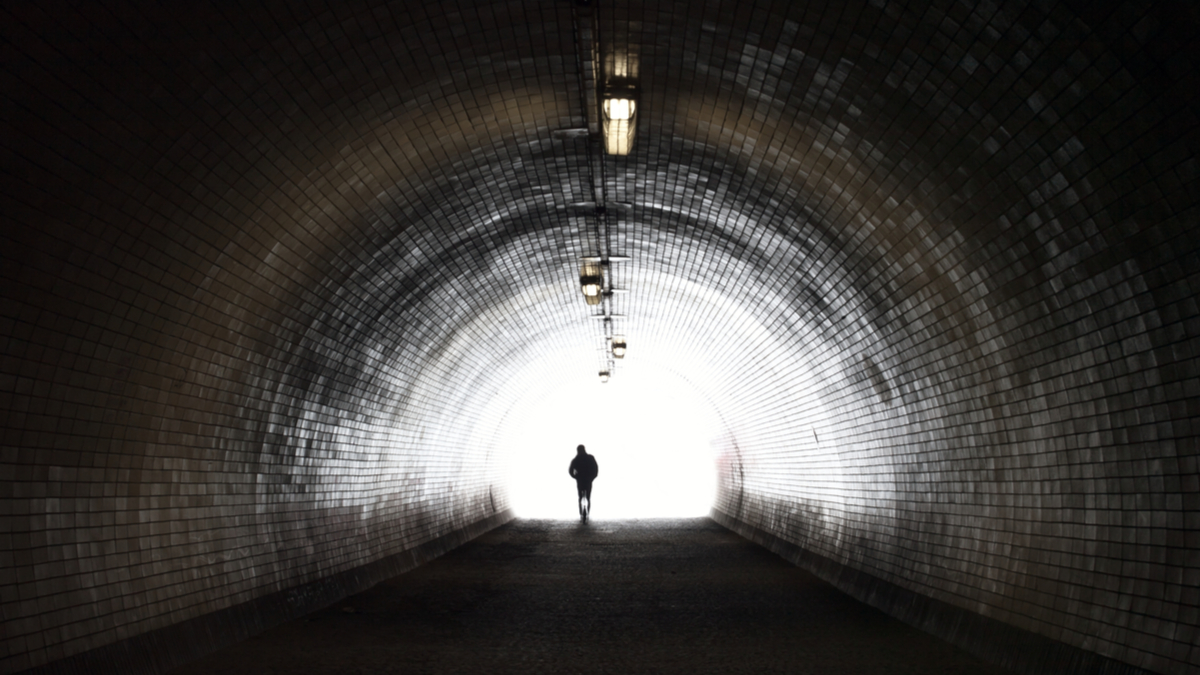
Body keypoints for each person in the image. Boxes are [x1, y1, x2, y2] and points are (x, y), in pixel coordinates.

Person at [568, 444, 599, 522]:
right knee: (588, 497)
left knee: (580, 497)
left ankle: (581, 514)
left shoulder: (576, 459)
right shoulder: (590, 458)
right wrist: (592, 477)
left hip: (580, 480)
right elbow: (595, 469)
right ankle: (587, 513)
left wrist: (575, 477)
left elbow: (570, 470)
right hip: (588, 480)